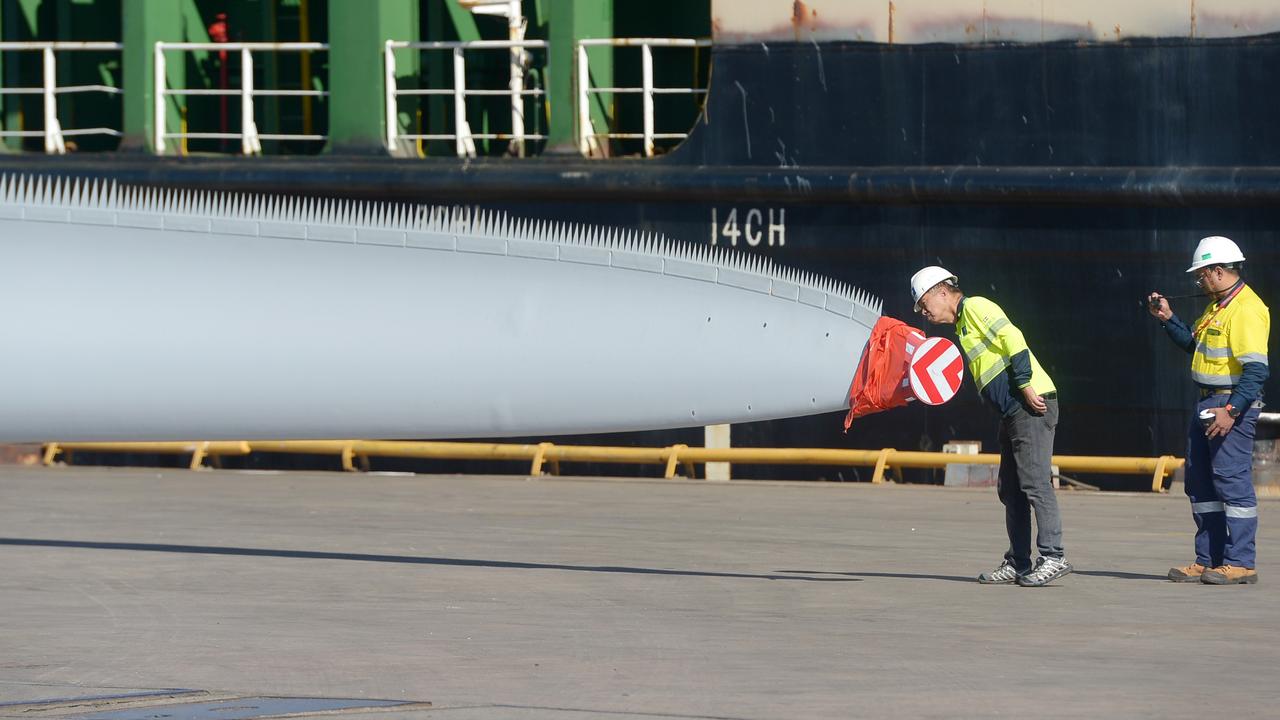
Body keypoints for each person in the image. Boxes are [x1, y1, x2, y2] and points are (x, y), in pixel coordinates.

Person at [910, 266, 1070, 587]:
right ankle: (1019, 562)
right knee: (1011, 489)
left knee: (1035, 483)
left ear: (942, 291)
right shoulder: (963, 326)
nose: (924, 312)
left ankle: (1053, 556)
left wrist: (1024, 383)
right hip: (1012, 412)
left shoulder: (977, 306)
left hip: (1030, 403)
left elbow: (1013, 337)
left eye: (924, 304)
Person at [1148, 235, 1269, 585]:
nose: (1199, 281)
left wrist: (1231, 410)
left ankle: (1242, 561)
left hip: (1227, 403)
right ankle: (1210, 558)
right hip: (1206, 402)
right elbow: (1196, 345)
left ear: (1218, 271)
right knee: (1200, 483)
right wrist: (1168, 318)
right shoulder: (1218, 307)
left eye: (1201, 274)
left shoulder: (1247, 309)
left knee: (1232, 482)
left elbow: (1256, 370)